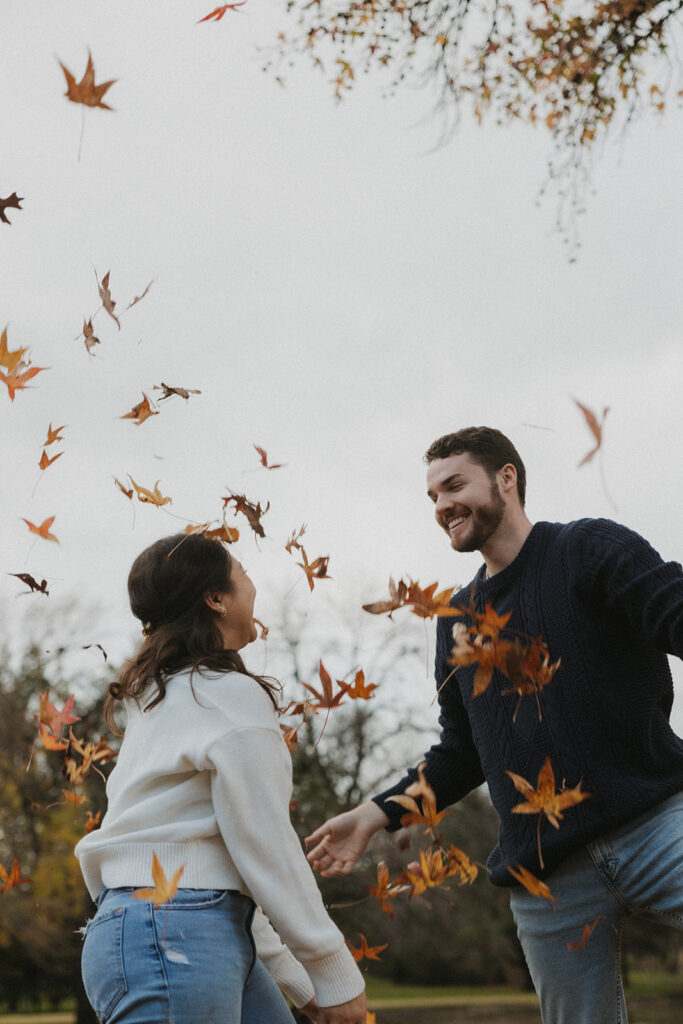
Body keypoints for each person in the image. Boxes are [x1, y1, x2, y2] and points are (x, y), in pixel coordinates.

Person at [306, 426, 683, 1024]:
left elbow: (673, 610)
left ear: (506, 477)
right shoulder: (455, 622)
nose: (441, 506)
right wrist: (376, 813)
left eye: (454, 485)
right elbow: (462, 751)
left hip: (659, 828)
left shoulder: (587, 550)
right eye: (432, 496)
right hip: (547, 877)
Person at [75, 533, 366, 1024]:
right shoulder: (227, 695)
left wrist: (299, 981)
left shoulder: (158, 704)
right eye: (242, 573)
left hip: (158, 927)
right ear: (215, 598)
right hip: (173, 939)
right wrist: (334, 972)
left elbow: (219, 868)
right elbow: (265, 844)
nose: (253, 587)